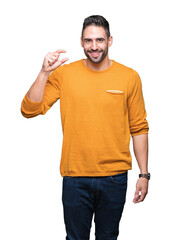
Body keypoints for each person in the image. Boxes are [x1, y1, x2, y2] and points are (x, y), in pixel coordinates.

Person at [21, 15, 150, 240]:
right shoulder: (64, 74)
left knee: (108, 237)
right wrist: (44, 72)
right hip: (75, 177)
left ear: (110, 41)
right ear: (81, 42)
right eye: (88, 41)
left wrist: (144, 174)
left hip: (114, 177)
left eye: (99, 40)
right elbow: (29, 110)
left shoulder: (129, 77)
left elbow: (138, 127)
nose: (94, 46)